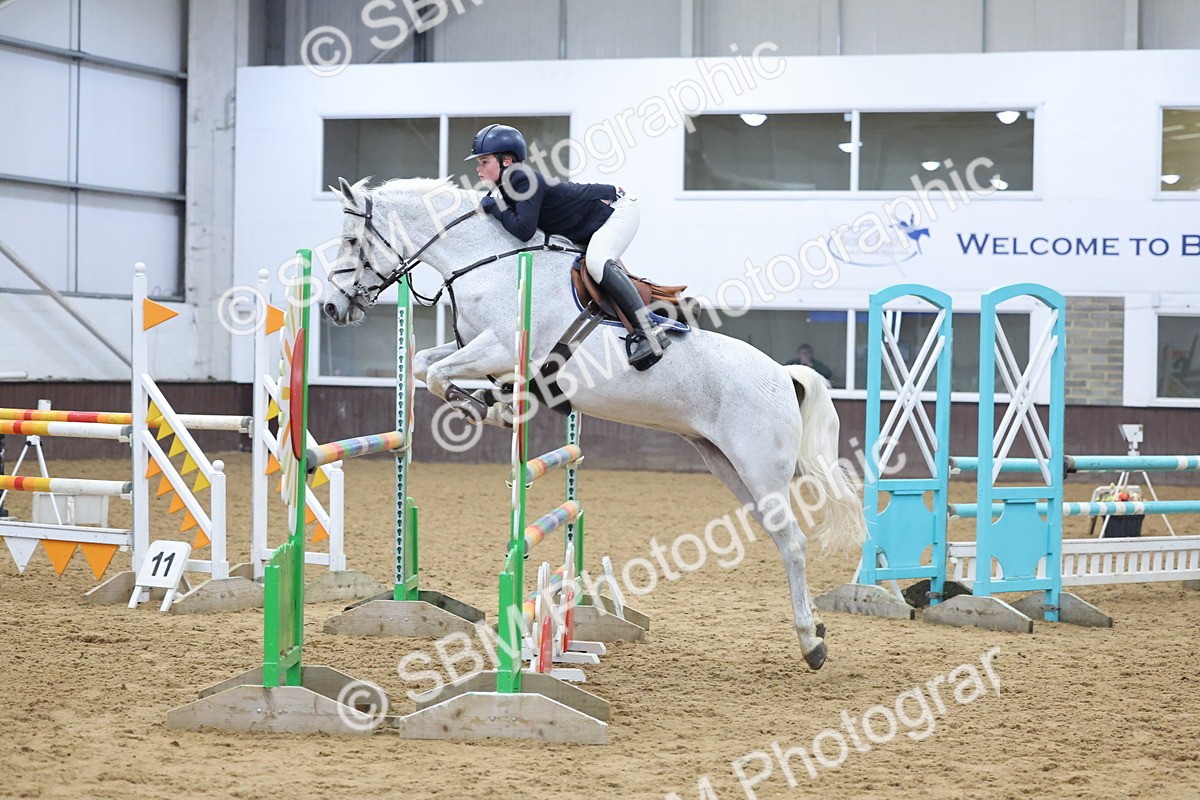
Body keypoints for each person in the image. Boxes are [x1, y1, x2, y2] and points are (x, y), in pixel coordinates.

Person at [467, 123, 670, 371]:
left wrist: (494, 208)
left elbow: (523, 230)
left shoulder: (520, 178)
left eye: (484, 161)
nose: (478, 168)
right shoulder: (508, 186)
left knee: (597, 262)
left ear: (506, 160)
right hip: (592, 224)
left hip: (618, 212)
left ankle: (650, 330)